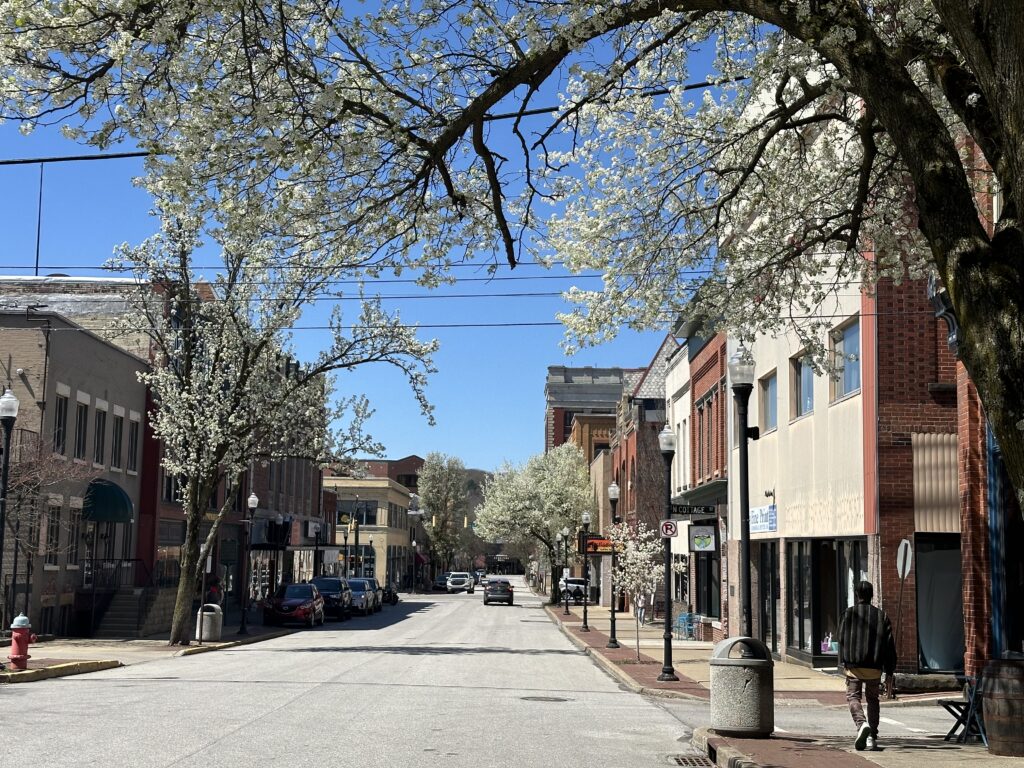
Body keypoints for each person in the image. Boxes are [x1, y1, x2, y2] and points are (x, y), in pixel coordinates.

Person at [837, 580, 897, 752]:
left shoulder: (848, 614)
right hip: (875, 667)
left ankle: (862, 724)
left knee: (853, 697)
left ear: (857, 595)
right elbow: (889, 646)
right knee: (873, 699)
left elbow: (840, 638)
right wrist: (890, 671)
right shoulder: (882, 616)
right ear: (872, 595)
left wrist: (846, 658)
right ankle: (872, 736)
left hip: (854, 666)